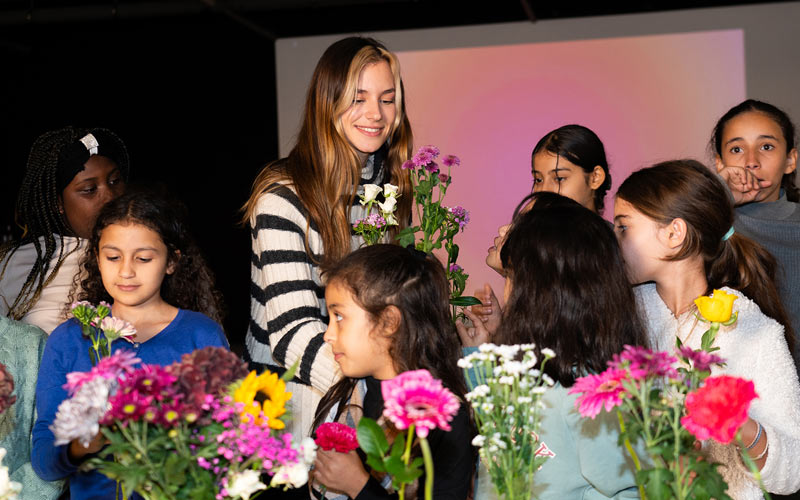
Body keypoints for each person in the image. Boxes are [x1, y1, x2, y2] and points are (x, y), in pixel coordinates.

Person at [241, 36, 413, 438]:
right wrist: (367, 395)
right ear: (327, 101)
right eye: (358, 98)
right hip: (288, 402)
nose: (376, 113)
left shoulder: (389, 189)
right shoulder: (282, 196)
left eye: (387, 99)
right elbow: (293, 333)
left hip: (367, 388)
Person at [614, 160, 800, 499]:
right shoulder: (621, 315)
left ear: (674, 234)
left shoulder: (752, 331)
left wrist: (741, 426)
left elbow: (792, 472)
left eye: (623, 227)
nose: (615, 242)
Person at [32, 189, 228, 499]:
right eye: (112, 256)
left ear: (172, 262)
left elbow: (226, 442)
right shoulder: (70, 338)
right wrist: (82, 445)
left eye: (144, 258)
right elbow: (44, 456)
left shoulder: (201, 336)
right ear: (96, 257)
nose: (126, 270)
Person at [462, 194, 647, 499]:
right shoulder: (532, 373)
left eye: (512, 277)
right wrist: (480, 362)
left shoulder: (592, 398)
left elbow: (630, 490)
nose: (508, 290)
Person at [310, 245, 473, 500]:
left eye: (339, 316)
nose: (328, 334)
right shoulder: (349, 395)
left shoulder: (445, 419)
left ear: (388, 322)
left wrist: (359, 486)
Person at [472, 125, 613, 328]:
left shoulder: (609, 245)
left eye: (559, 178)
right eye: (538, 179)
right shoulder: (537, 236)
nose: (545, 190)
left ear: (595, 177)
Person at [0, 127, 129, 333]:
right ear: (57, 203)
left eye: (115, 181)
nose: (110, 197)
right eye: (89, 190)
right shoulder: (17, 262)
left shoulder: (153, 250)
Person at [711, 99, 800, 367]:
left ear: (790, 160)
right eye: (737, 149)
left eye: (766, 147)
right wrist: (718, 192)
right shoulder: (707, 227)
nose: (751, 161)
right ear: (719, 163)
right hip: (733, 381)